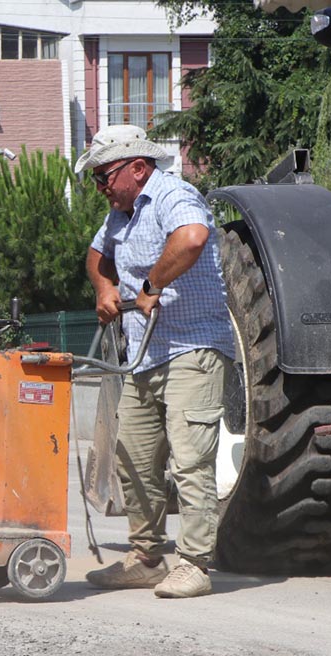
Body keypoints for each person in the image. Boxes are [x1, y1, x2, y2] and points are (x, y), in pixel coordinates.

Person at [78, 125, 233, 599]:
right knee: (134, 458)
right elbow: (96, 255)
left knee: (190, 460)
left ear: (138, 168)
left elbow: (191, 237)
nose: (100, 188)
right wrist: (105, 288)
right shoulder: (120, 214)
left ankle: (194, 564)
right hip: (147, 355)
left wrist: (150, 286)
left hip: (193, 348)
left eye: (104, 177)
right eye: (96, 180)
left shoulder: (171, 193)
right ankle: (146, 557)